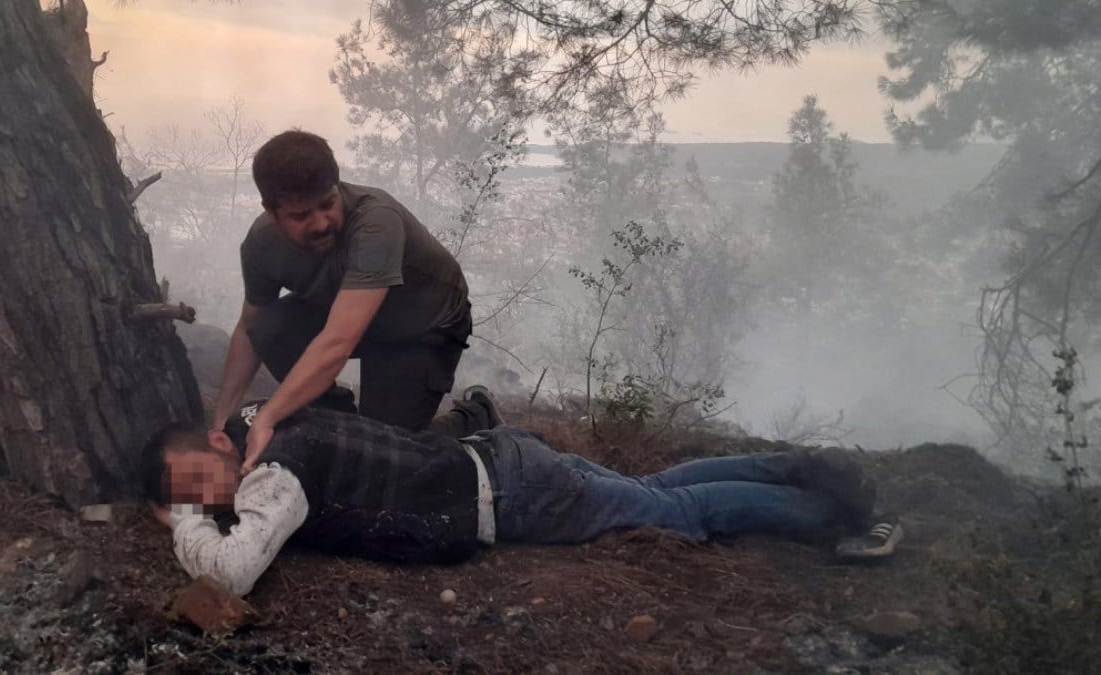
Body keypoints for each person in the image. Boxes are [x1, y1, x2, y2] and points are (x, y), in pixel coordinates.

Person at [142, 397, 903, 598]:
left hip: (511, 494)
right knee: (653, 489)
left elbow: (232, 572)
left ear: (215, 448)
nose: (209, 502)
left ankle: (838, 513)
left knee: (682, 515)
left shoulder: (274, 474)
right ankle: (799, 466)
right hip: (505, 457)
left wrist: (179, 519)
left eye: (198, 485)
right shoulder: (268, 418)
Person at [210, 130, 477, 472]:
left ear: (338, 187)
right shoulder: (262, 245)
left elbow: (338, 341)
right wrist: (220, 422)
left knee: (387, 455)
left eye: (327, 204)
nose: (321, 223)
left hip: (423, 330)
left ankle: (472, 416)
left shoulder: (375, 222)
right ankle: (338, 423)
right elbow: (249, 329)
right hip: (351, 318)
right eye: (301, 215)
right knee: (268, 326)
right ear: (272, 213)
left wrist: (268, 418)